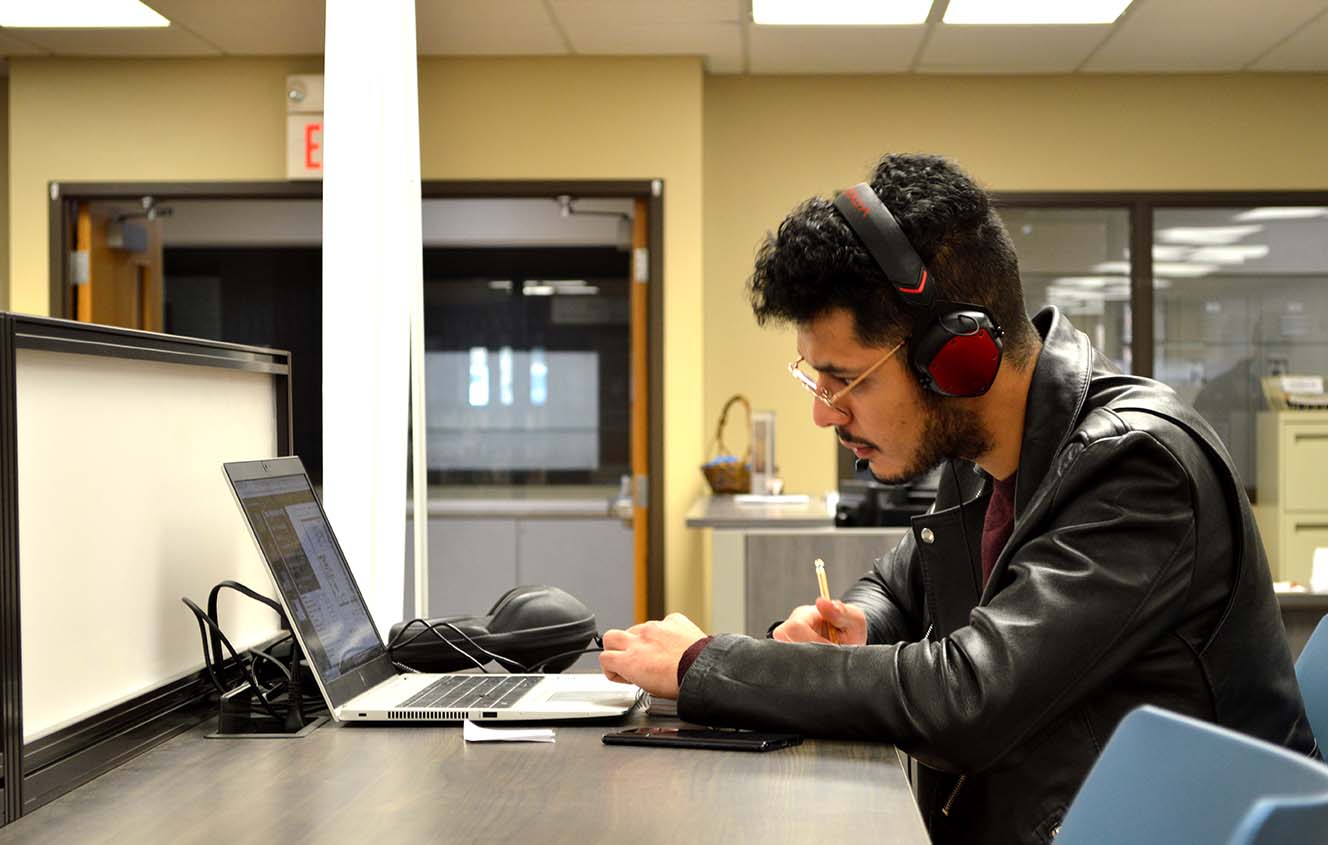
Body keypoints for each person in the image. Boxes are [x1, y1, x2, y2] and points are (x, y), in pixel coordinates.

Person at [599, 154, 1319, 844]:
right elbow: (896, 581)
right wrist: (864, 625)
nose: (825, 413)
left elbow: (968, 697)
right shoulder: (983, 453)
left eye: (845, 380)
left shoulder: (1135, 468)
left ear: (956, 357)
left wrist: (706, 664)